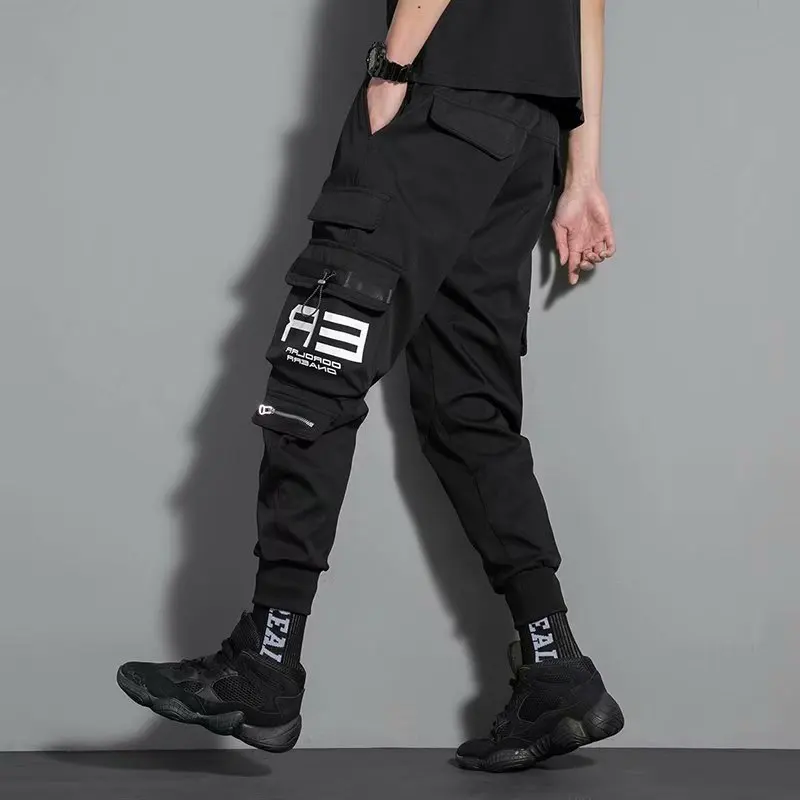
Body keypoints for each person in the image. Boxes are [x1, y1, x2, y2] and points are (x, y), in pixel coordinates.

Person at [117, 0, 623, 772]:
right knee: (467, 410)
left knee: (315, 366)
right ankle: (557, 667)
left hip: (441, 100)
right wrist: (581, 173)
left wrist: (392, 67)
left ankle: (267, 659)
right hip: (530, 139)